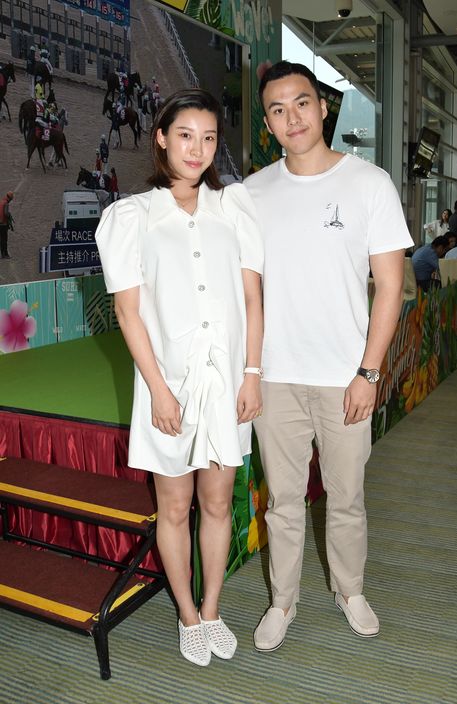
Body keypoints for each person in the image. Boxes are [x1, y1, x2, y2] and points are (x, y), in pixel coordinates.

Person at [244, 61, 414, 650]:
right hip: (277, 378)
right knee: (283, 503)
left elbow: (390, 286)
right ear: (268, 123)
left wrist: (369, 371)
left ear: (322, 108)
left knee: (346, 499)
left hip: (346, 378)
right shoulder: (252, 193)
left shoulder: (369, 184)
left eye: (301, 103)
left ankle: (350, 590)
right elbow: (247, 293)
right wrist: (251, 372)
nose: (291, 117)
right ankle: (282, 602)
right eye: (277, 109)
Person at [95, 88, 264, 667]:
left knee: (217, 503)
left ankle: (212, 609)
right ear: (162, 138)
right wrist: (159, 392)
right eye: (186, 135)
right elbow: (128, 313)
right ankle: (187, 616)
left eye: (209, 138)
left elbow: (252, 299)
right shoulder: (133, 217)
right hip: (166, 386)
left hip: (228, 384)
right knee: (174, 507)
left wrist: (251, 374)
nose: (198, 149)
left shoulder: (232, 208)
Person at [0, 191, 14, 259]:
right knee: (4, 240)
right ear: (10, 198)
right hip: (3, 224)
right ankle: (5, 254)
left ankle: (2, 253)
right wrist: (9, 215)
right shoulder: (6, 203)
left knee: (1, 239)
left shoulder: (1, 201)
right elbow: (6, 213)